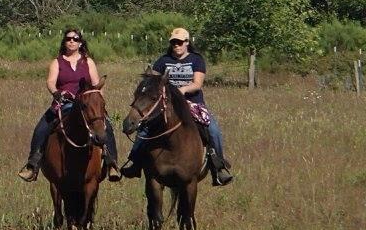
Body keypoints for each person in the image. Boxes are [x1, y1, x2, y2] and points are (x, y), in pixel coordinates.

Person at [120, 27, 233, 186]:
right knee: (144, 127)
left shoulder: (196, 59)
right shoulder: (162, 61)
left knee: (213, 129)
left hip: (193, 103)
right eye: (173, 42)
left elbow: (197, 84)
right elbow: (153, 84)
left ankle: (218, 167)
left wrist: (181, 91)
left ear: (187, 42)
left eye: (180, 42)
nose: (176, 45)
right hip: (166, 104)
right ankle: (135, 162)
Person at [17, 29, 121, 182]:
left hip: (87, 105)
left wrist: (98, 102)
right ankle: (33, 164)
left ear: (80, 43)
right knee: (42, 127)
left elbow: (96, 84)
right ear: (64, 42)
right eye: (68, 39)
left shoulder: (88, 61)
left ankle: (111, 163)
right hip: (64, 104)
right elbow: (51, 82)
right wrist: (56, 92)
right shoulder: (57, 62)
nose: (72, 41)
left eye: (75, 39)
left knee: (107, 126)